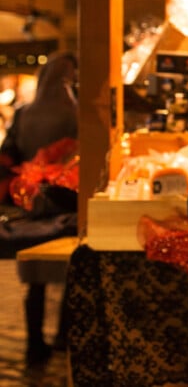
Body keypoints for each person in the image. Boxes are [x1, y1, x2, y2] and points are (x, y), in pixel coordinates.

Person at [0, 51, 79, 366]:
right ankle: (61, 334)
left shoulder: (23, 113)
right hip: (65, 201)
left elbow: (8, 154)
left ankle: (35, 343)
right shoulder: (75, 113)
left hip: (29, 205)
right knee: (70, 269)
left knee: (34, 276)